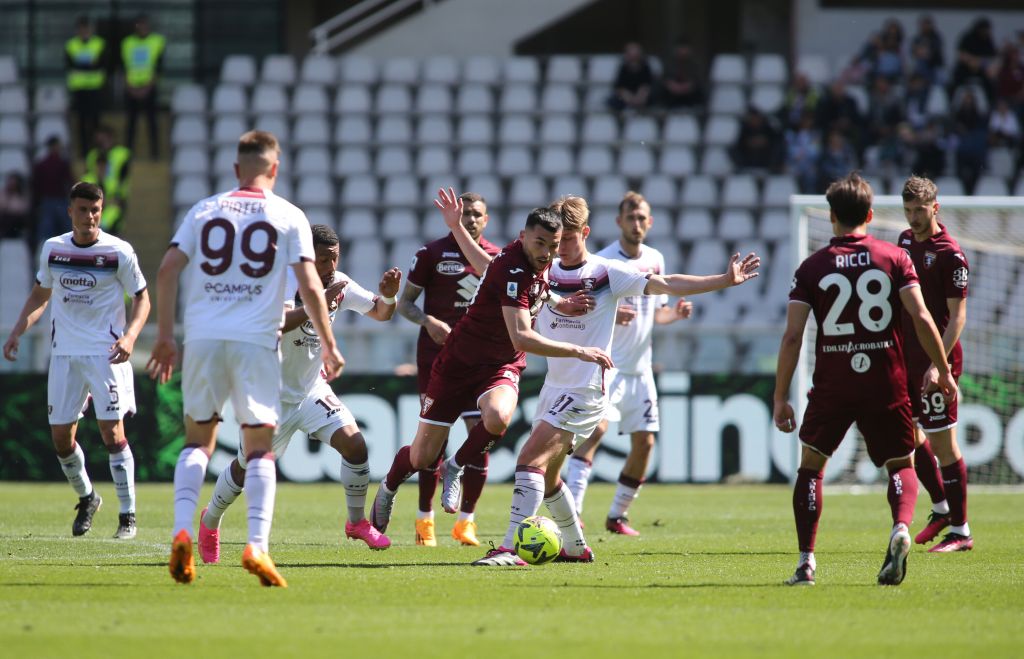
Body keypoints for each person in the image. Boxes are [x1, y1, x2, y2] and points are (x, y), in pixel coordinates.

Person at [469, 195, 759, 566]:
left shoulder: (605, 273)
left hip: (586, 389)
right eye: (554, 241)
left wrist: (723, 279)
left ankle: (511, 547)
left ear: (584, 233)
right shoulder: (542, 267)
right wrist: (457, 229)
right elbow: (489, 267)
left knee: (529, 460)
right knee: (552, 475)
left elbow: (666, 283)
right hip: (554, 386)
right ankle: (575, 546)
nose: (558, 248)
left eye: (567, 239)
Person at [147, 130, 343, 588]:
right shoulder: (288, 215)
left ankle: (181, 530)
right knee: (258, 450)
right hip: (256, 341)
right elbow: (312, 288)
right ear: (275, 169)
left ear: (236, 169)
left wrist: (164, 337)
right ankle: (256, 545)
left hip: (203, 338)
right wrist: (331, 344)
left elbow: (167, 270)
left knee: (198, 443)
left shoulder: (205, 210)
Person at [369, 189, 603, 539]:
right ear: (524, 237)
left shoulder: (521, 257)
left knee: (499, 416)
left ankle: (456, 465)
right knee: (420, 457)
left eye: (553, 246)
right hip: (457, 364)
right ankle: (387, 489)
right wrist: (578, 350)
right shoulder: (513, 270)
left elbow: (486, 266)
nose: (547, 254)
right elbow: (522, 336)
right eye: (540, 244)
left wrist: (558, 302)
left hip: (499, 366)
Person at [773, 172, 957, 587]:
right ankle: (901, 528)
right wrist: (943, 370)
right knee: (900, 461)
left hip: (835, 382)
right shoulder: (895, 257)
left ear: (832, 216)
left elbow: (792, 336)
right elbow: (923, 317)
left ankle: (806, 563)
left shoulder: (812, 267)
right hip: (885, 378)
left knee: (812, 468)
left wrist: (780, 395)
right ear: (871, 215)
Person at [196, 224, 399, 562]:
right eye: (322, 260)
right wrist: (318, 303)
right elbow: (277, 323)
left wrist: (389, 294)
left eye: (334, 258)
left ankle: (356, 522)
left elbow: (380, 312)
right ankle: (211, 520)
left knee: (355, 444)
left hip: (310, 391)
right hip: (269, 396)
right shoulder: (284, 282)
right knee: (245, 469)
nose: (330, 266)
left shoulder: (340, 283)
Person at [3, 181, 149, 540]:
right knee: (61, 441)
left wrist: (130, 337)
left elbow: (142, 299)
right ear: (71, 212)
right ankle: (88, 497)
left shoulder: (119, 252)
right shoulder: (53, 249)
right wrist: (18, 330)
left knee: (112, 434)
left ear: (101, 211)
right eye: (83, 210)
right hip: (65, 354)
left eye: (95, 210)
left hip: (106, 355)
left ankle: (128, 516)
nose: (90, 216)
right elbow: (41, 292)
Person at [565, 192, 693, 535]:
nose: (636, 224)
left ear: (649, 223)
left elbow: (655, 314)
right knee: (598, 430)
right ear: (619, 222)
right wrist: (608, 308)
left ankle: (617, 515)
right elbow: (580, 308)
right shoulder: (602, 261)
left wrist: (674, 315)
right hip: (610, 365)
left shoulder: (656, 259)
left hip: (641, 368)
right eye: (630, 218)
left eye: (642, 219)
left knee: (646, 442)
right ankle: (573, 510)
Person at [397, 191, 501, 547]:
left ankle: (466, 521)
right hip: (436, 361)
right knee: (433, 442)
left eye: (477, 214)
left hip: (478, 362)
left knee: (480, 436)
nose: (471, 219)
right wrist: (427, 321)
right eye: (467, 213)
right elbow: (404, 304)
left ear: (485, 220)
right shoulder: (431, 254)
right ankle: (425, 519)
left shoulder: (495, 259)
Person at [897, 176, 973, 552]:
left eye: (920, 210)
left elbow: (957, 316)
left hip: (936, 360)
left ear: (935, 208)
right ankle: (942, 508)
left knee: (945, 445)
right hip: (906, 357)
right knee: (908, 436)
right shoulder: (905, 241)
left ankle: (961, 531)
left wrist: (938, 366)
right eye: (908, 210)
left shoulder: (951, 254)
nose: (913, 217)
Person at [120, 14, 165, 159]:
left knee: (151, 122)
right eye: (140, 25)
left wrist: (147, 87)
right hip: (131, 87)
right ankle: (128, 153)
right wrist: (129, 86)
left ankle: (155, 153)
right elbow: (123, 67)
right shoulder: (127, 43)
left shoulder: (157, 41)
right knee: (131, 122)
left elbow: (159, 67)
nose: (143, 29)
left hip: (149, 87)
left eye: (145, 25)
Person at [65, 16, 107, 159]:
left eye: (86, 28)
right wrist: (89, 65)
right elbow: (71, 66)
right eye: (81, 28)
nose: (83, 31)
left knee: (95, 121)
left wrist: (82, 66)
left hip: (95, 88)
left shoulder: (99, 44)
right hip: (79, 89)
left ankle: (96, 150)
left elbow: (101, 64)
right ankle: (83, 152)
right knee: (81, 122)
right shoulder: (71, 45)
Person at [31, 136, 74, 256]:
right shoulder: (58, 163)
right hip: (54, 200)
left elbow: (36, 185)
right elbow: (69, 181)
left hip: (53, 200)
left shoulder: (43, 164)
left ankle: (50, 252)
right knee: (54, 229)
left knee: (50, 229)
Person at [83, 126, 131, 235]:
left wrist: (119, 197)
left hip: (114, 197)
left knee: (112, 227)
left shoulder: (122, 153)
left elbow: (124, 177)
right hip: (96, 198)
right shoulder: (92, 155)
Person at [608, 42, 654, 111]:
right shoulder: (623, 68)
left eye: (636, 54)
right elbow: (619, 86)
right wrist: (628, 97)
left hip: (642, 96)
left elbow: (648, 84)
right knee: (614, 101)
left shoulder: (646, 67)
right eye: (631, 53)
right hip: (626, 96)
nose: (633, 56)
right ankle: (620, 119)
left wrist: (640, 97)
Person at [0, 172, 29, 239]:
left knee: (12, 221)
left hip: (16, 221)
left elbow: (22, 209)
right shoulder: (3, 194)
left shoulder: (21, 196)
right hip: (4, 218)